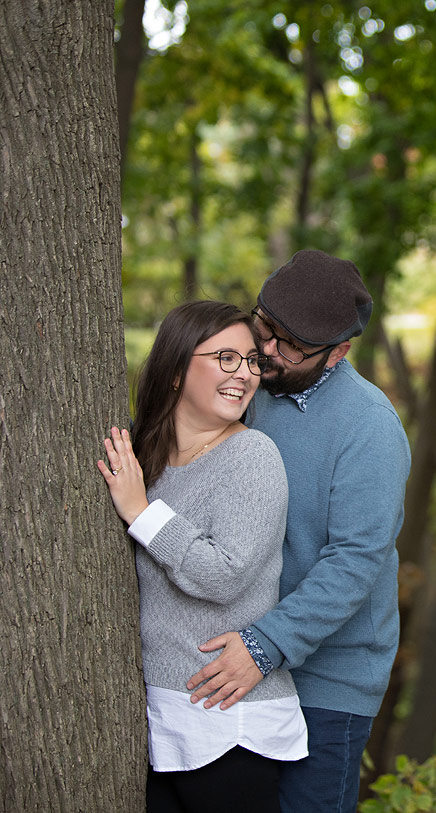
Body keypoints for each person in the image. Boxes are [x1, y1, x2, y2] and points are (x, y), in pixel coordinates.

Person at [183, 250, 412, 812]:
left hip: (325, 684)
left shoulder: (370, 430)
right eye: (265, 326)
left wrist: (265, 647)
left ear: (338, 352)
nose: (265, 350)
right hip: (232, 660)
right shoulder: (249, 385)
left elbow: (355, 562)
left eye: (288, 345)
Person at [96, 301, 308, 812]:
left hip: (227, 724)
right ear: (175, 370)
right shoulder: (147, 458)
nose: (245, 374)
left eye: (252, 361)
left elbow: (222, 575)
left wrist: (140, 513)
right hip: (162, 718)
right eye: (226, 358)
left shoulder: (252, 455)